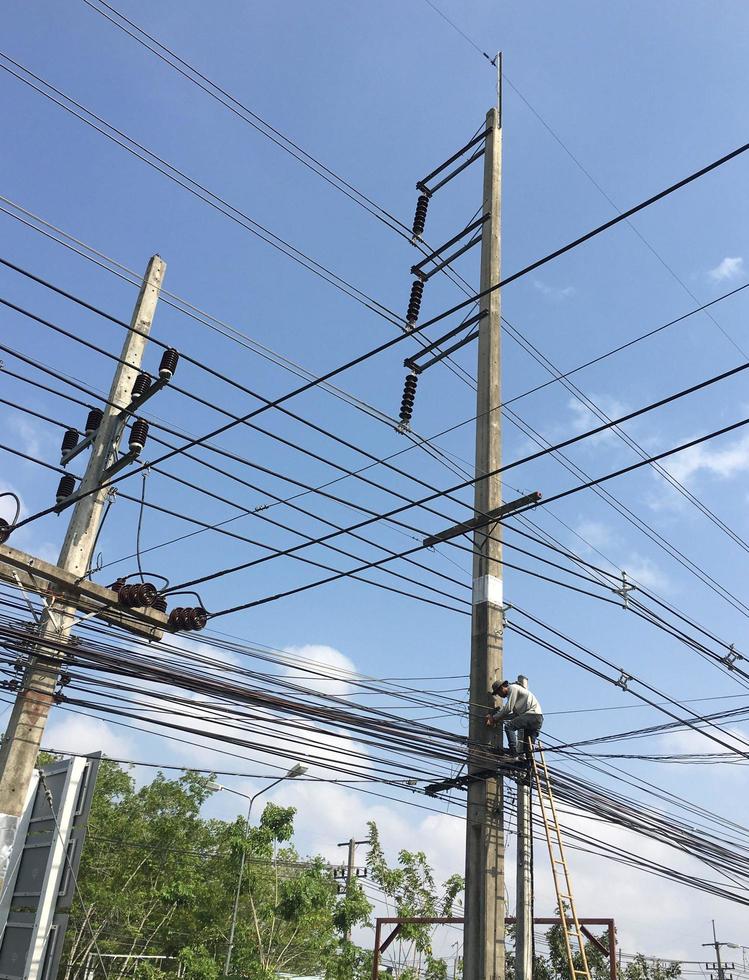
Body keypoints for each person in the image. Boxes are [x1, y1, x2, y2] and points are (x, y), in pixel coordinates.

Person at [485, 679, 543, 757]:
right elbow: (514, 716)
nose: (499, 696)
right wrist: (498, 719)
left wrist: (494, 718)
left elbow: (508, 708)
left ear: (502, 688)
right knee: (527, 747)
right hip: (536, 719)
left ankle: (513, 751)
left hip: (533, 715)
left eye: (498, 693)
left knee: (509, 726)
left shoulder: (512, 688)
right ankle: (528, 764)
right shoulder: (517, 700)